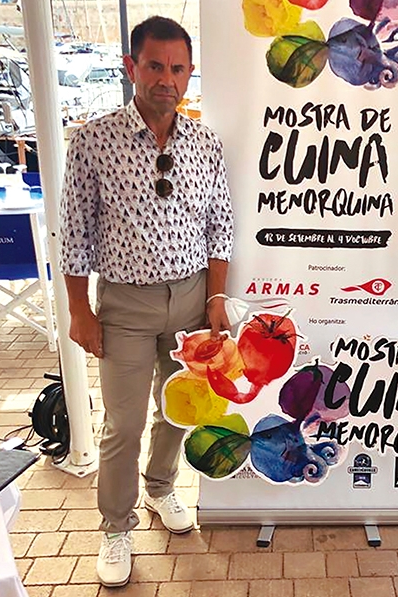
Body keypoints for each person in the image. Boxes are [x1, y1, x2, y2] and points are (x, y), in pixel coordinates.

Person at [60, 16, 233, 588]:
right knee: (124, 422)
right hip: (125, 307)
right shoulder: (93, 141)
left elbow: (220, 226)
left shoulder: (205, 142)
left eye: (178, 68)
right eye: (155, 66)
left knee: (178, 407)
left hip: (190, 300)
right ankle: (115, 526)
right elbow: (74, 233)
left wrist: (215, 297)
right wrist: (80, 310)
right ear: (131, 67)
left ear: (189, 72)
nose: (167, 79)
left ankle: (161, 489)